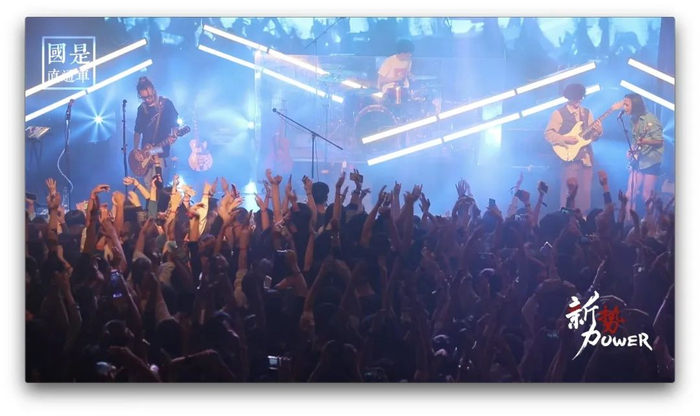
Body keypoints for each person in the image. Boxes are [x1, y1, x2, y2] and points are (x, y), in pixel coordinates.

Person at [544, 83, 603, 213]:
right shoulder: (558, 113)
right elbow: (548, 134)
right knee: (569, 192)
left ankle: (583, 219)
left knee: (585, 193)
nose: (579, 100)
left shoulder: (587, 113)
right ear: (569, 97)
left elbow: (592, 137)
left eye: (581, 97)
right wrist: (564, 139)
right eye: (576, 97)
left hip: (586, 158)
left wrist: (598, 132)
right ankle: (565, 218)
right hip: (569, 158)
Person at [615, 92, 665, 212]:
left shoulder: (650, 119)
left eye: (627, 105)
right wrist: (631, 150)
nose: (624, 108)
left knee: (646, 196)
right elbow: (636, 141)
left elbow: (659, 141)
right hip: (638, 160)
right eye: (624, 105)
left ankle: (650, 222)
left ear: (636, 105)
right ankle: (627, 221)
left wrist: (645, 141)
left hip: (651, 161)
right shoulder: (633, 120)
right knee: (629, 194)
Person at [133, 76, 180, 186]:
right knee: (147, 184)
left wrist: (174, 136)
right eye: (144, 98)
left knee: (158, 184)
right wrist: (136, 150)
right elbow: (137, 132)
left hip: (161, 151)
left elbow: (175, 124)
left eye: (150, 96)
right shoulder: (141, 109)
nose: (147, 100)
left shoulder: (166, 104)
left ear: (154, 91)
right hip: (146, 153)